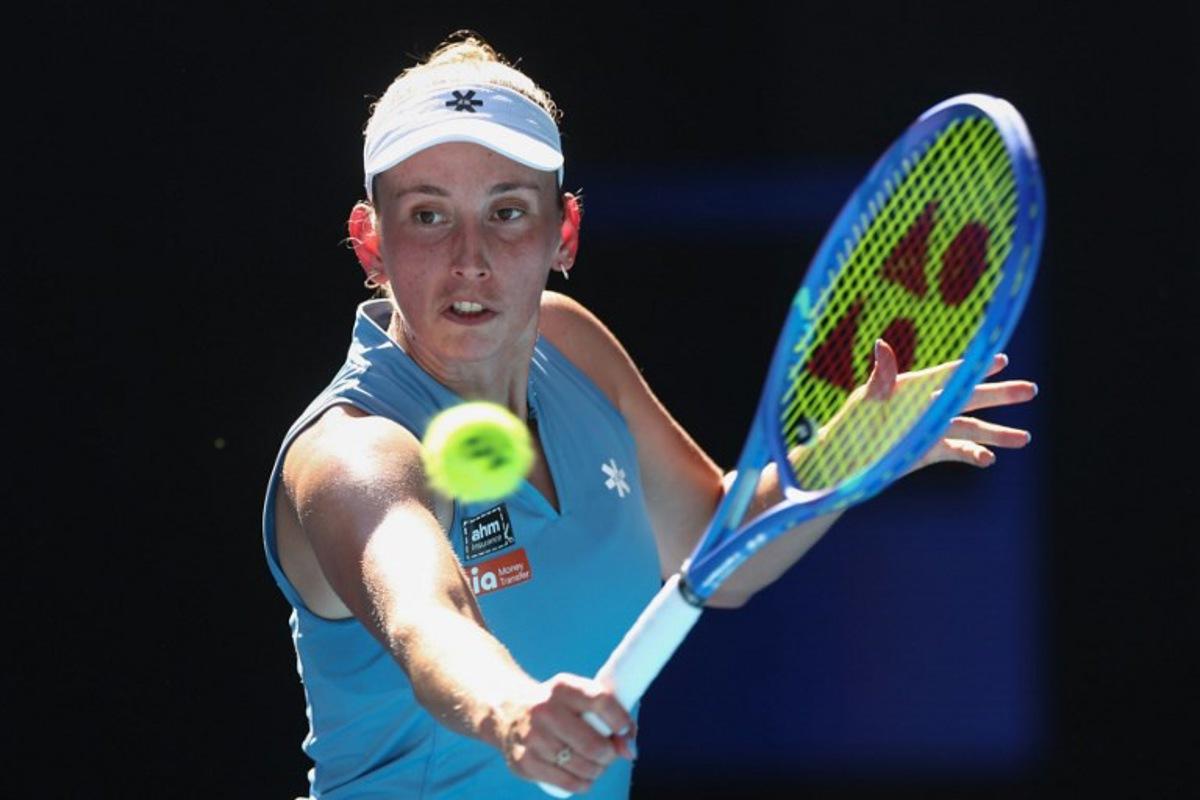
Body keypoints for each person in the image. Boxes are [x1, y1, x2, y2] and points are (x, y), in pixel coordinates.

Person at [262, 32, 1037, 799]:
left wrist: (848, 448)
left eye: (507, 212)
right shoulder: (354, 454)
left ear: (563, 232)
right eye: (429, 216)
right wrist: (511, 712)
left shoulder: (571, 345)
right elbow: (426, 619)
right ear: (371, 242)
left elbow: (712, 548)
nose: (472, 257)